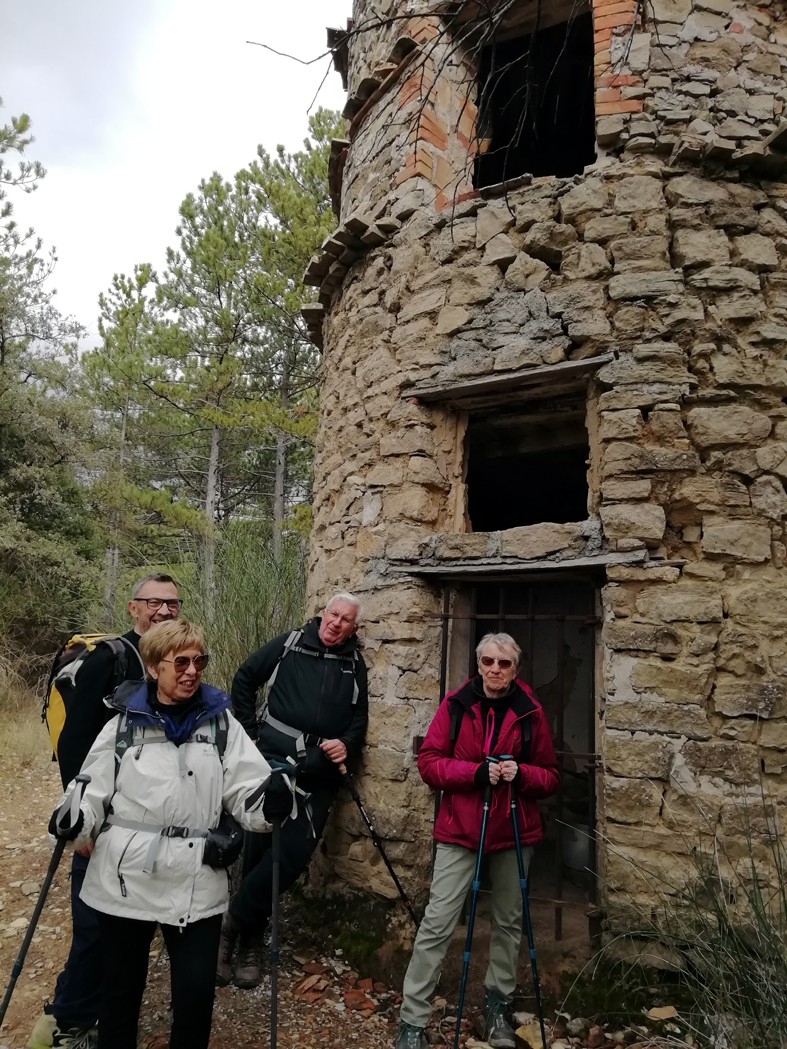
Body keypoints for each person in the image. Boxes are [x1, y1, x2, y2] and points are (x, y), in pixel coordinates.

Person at [49, 619, 278, 1049]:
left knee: (195, 997)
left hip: (195, 875)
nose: (192, 670)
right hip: (125, 878)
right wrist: (74, 819)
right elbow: (91, 789)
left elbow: (250, 790)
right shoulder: (123, 724)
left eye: (199, 661)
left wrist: (271, 803)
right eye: (182, 662)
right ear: (154, 668)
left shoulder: (221, 724)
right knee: (120, 995)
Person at [30, 572, 181, 1049]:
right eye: (154, 603)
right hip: (103, 818)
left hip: (146, 822)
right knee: (93, 922)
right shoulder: (109, 658)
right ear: (134, 608)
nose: (163, 611)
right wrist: (83, 824)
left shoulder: (175, 661)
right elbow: (74, 744)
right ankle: (65, 1023)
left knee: (119, 928)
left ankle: (96, 1014)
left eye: (172, 604)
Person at [395, 633, 559, 1049]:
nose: (494, 670)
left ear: (515, 669)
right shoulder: (456, 705)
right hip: (461, 829)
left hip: (513, 830)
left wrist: (520, 773)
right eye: (487, 661)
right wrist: (472, 773)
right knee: (437, 922)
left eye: (503, 664)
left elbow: (550, 776)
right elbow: (429, 763)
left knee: (507, 921)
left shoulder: (530, 713)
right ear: (478, 663)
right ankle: (412, 1021)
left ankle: (497, 1005)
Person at [218, 591, 369, 989]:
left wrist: (347, 744)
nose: (337, 623)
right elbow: (245, 679)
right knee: (258, 848)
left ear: (354, 627)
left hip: (318, 775)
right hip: (272, 762)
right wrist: (249, 738)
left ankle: (231, 922)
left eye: (346, 620)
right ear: (323, 614)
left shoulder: (354, 663)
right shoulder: (289, 644)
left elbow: (359, 719)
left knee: (292, 856)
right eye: (333, 615)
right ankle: (249, 944)